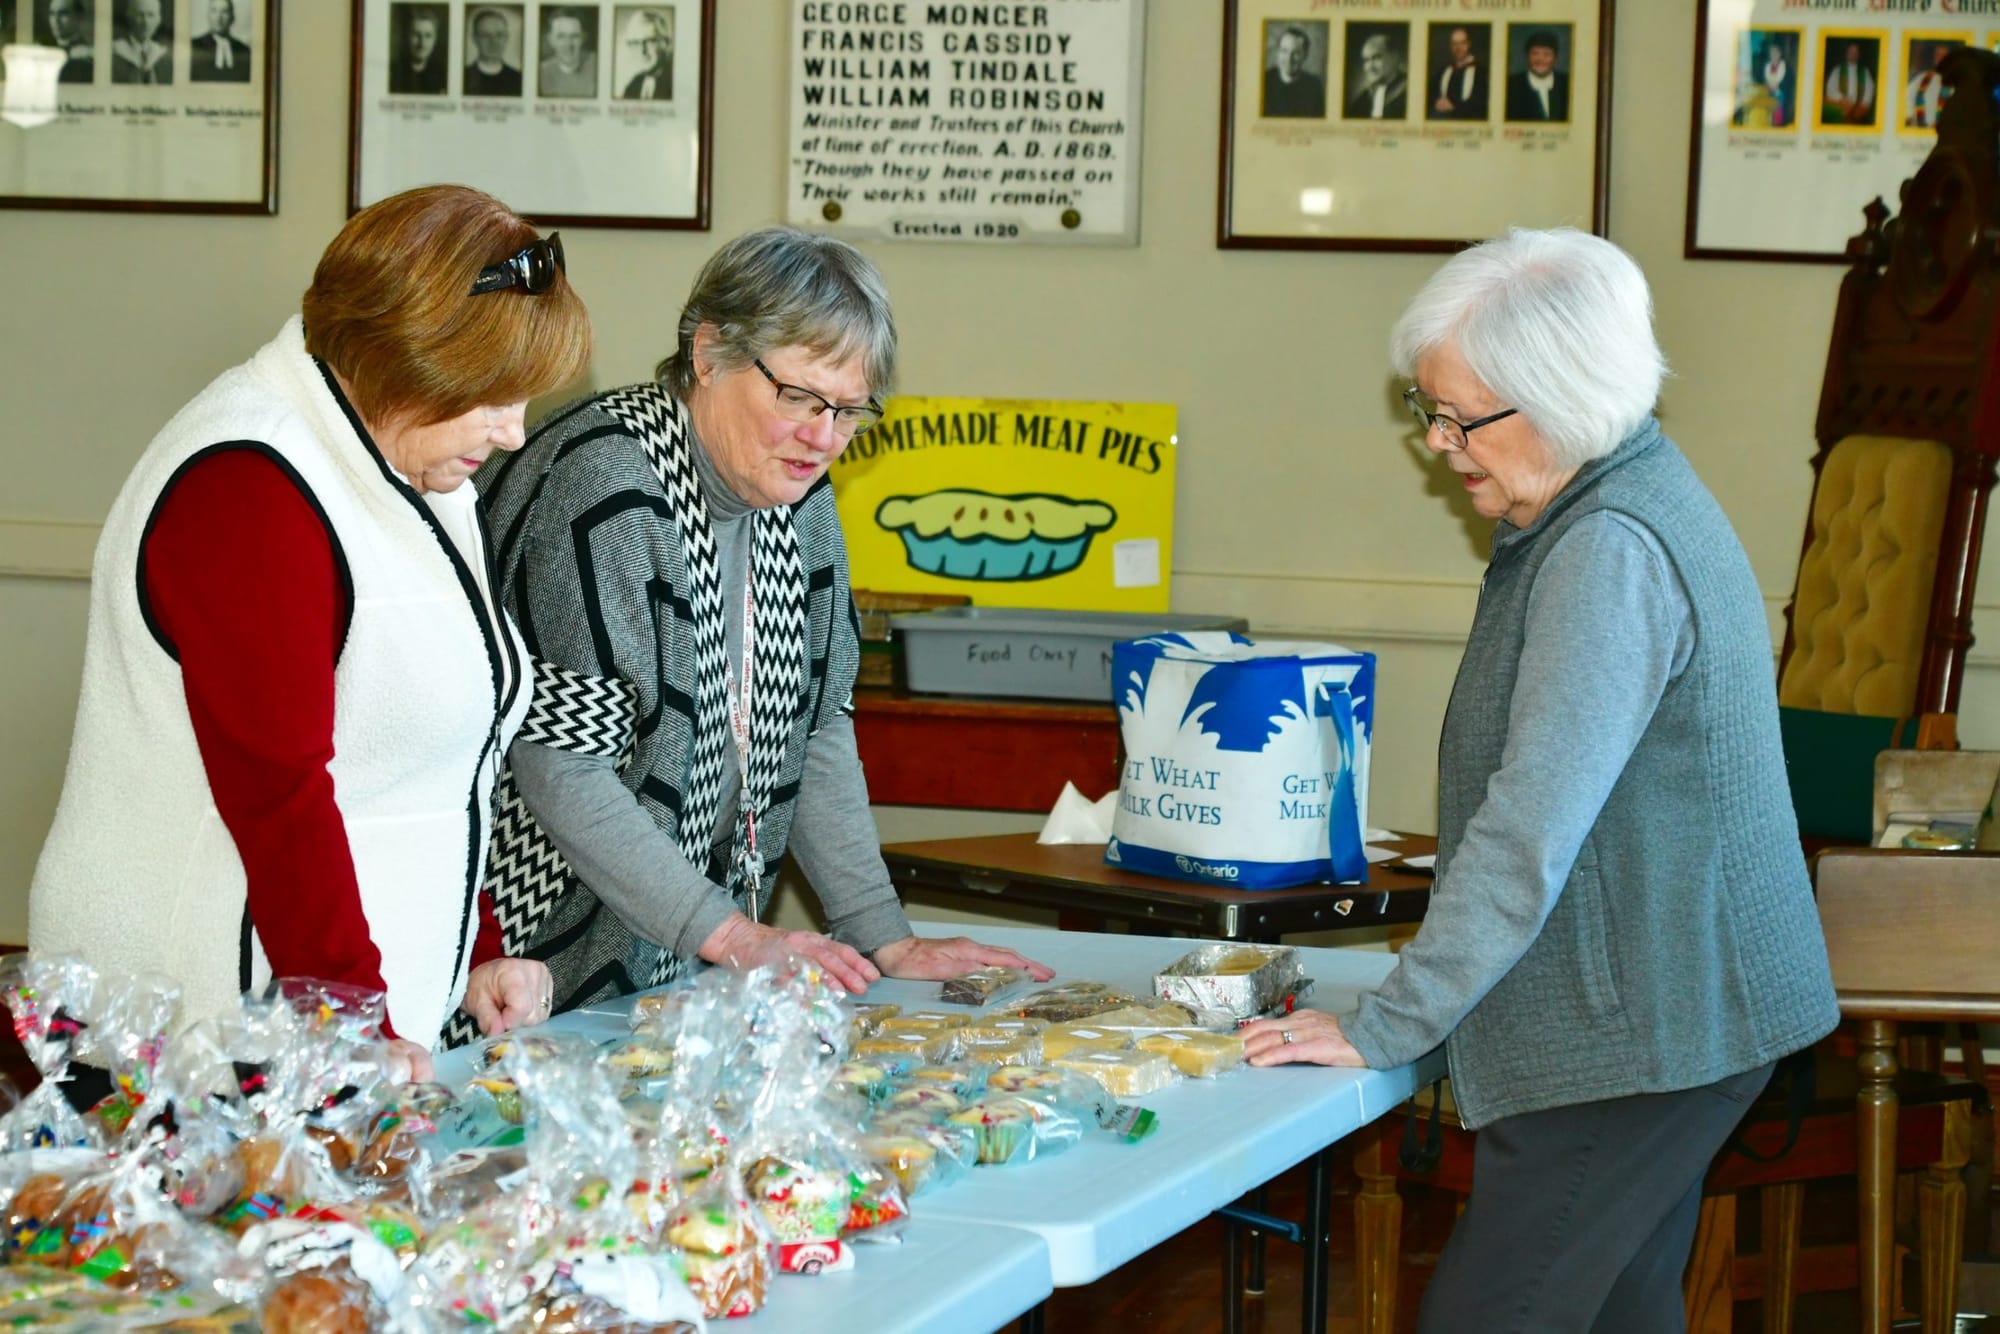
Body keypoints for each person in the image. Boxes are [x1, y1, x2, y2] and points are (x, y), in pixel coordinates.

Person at [1239, 229, 1838, 1332]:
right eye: (1427, 410)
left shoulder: (1606, 546)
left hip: (1644, 1038)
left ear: (1556, 397)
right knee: (1616, 1313)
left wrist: (1391, 1020)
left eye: (1460, 417)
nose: (1436, 443)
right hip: (1673, 1020)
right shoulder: (1613, 497)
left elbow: (1528, 827)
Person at [30, 186, 592, 1082]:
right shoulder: (248, 486)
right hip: (201, 1039)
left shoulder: (410, 465)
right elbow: (278, 797)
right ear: (409, 357)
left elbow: (438, 751)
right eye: (492, 395)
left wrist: (476, 949)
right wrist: (353, 1026)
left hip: (340, 1024)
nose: (514, 430)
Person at [475, 226, 1055, 1019]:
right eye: (798, 398)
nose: (822, 439)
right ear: (708, 354)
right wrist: (738, 937)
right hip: (531, 947)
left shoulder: (799, 500)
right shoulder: (604, 486)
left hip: (682, 954)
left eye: (849, 411)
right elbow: (562, 770)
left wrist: (881, 932)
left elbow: (814, 728)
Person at [1504, 28, 1569, 122]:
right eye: (1535, 53)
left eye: (1547, 54)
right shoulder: (1512, 84)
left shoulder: (1567, 83)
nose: (1540, 59)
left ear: (1555, 57)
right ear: (1527, 55)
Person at [1261, 25, 1324, 119]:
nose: (1288, 59)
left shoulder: (1314, 86)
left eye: (1296, 53)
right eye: (1284, 51)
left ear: (1305, 56)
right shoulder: (1263, 82)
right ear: (1278, 52)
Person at [1344, 30, 1407, 120]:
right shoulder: (1362, 101)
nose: (1370, 67)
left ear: (1394, 57)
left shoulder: (1411, 93)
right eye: (1366, 60)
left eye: (1376, 58)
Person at [1429, 25, 1486, 120]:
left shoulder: (1481, 72)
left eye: (1462, 43)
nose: (1458, 48)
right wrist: (1437, 102)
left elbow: (1481, 104)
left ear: (1469, 44)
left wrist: (1455, 106)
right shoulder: (1444, 71)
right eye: (1454, 44)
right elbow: (1431, 95)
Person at [538, 7, 596, 98]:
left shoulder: (598, 65)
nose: (568, 44)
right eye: (561, 37)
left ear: (583, 38)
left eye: (574, 36)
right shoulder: (540, 73)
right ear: (551, 40)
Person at [464, 7, 522, 96]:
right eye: (485, 35)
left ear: (506, 38)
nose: (493, 42)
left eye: (499, 35)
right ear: (475, 38)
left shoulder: (519, 79)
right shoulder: (464, 77)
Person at [389, 5, 447, 95]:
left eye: (428, 36)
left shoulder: (443, 76)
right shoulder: (393, 73)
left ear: (435, 39)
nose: (422, 43)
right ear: (407, 37)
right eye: (416, 34)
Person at [109, 0, 169, 84]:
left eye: (151, 15)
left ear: (158, 20)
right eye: (140, 15)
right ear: (129, 17)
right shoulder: (115, 51)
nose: (146, 22)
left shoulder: (162, 55)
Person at [189, 0, 250, 82]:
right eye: (214, 11)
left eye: (224, 12)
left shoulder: (244, 50)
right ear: (208, 15)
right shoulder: (194, 46)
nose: (218, 18)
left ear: (232, 17)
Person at [619, 9, 673, 101]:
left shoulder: (675, 83)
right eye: (635, 43)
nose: (642, 51)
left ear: (666, 43)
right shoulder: (632, 86)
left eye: (649, 41)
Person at [1823, 40, 1876, 125]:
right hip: (1841, 105)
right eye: (1851, 52)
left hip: (1858, 108)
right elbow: (1830, 88)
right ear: (1847, 53)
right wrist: (1841, 98)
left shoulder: (1864, 72)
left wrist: (1863, 104)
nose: (1853, 55)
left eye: (1855, 52)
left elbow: (1870, 90)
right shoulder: (1838, 70)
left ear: (1859, 55)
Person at [40, 0, 93, 83]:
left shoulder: (87, 57)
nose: (55, 20)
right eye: (52, 14)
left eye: (63, 13)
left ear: (79, 17)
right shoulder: (41, 50)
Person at [1904, 40, 1953, 129]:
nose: (1940, 58)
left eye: (1944, 55)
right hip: (1918, 135)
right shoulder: (1921, 79)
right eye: (1937, 54)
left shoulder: (1957, 82)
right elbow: (1906, 104)